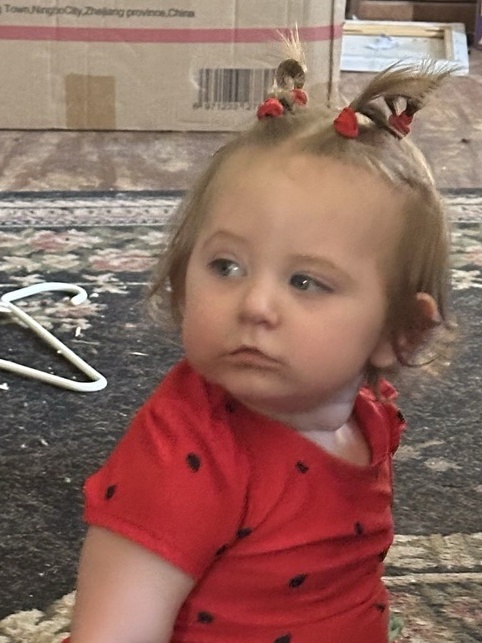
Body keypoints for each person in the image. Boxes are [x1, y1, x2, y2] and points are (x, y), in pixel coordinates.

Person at [64, 38, 454, 643]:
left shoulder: (369, 419)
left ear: (398, 331)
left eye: (306, 281)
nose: (255, 305)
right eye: (227, 266)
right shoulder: (184, 457)